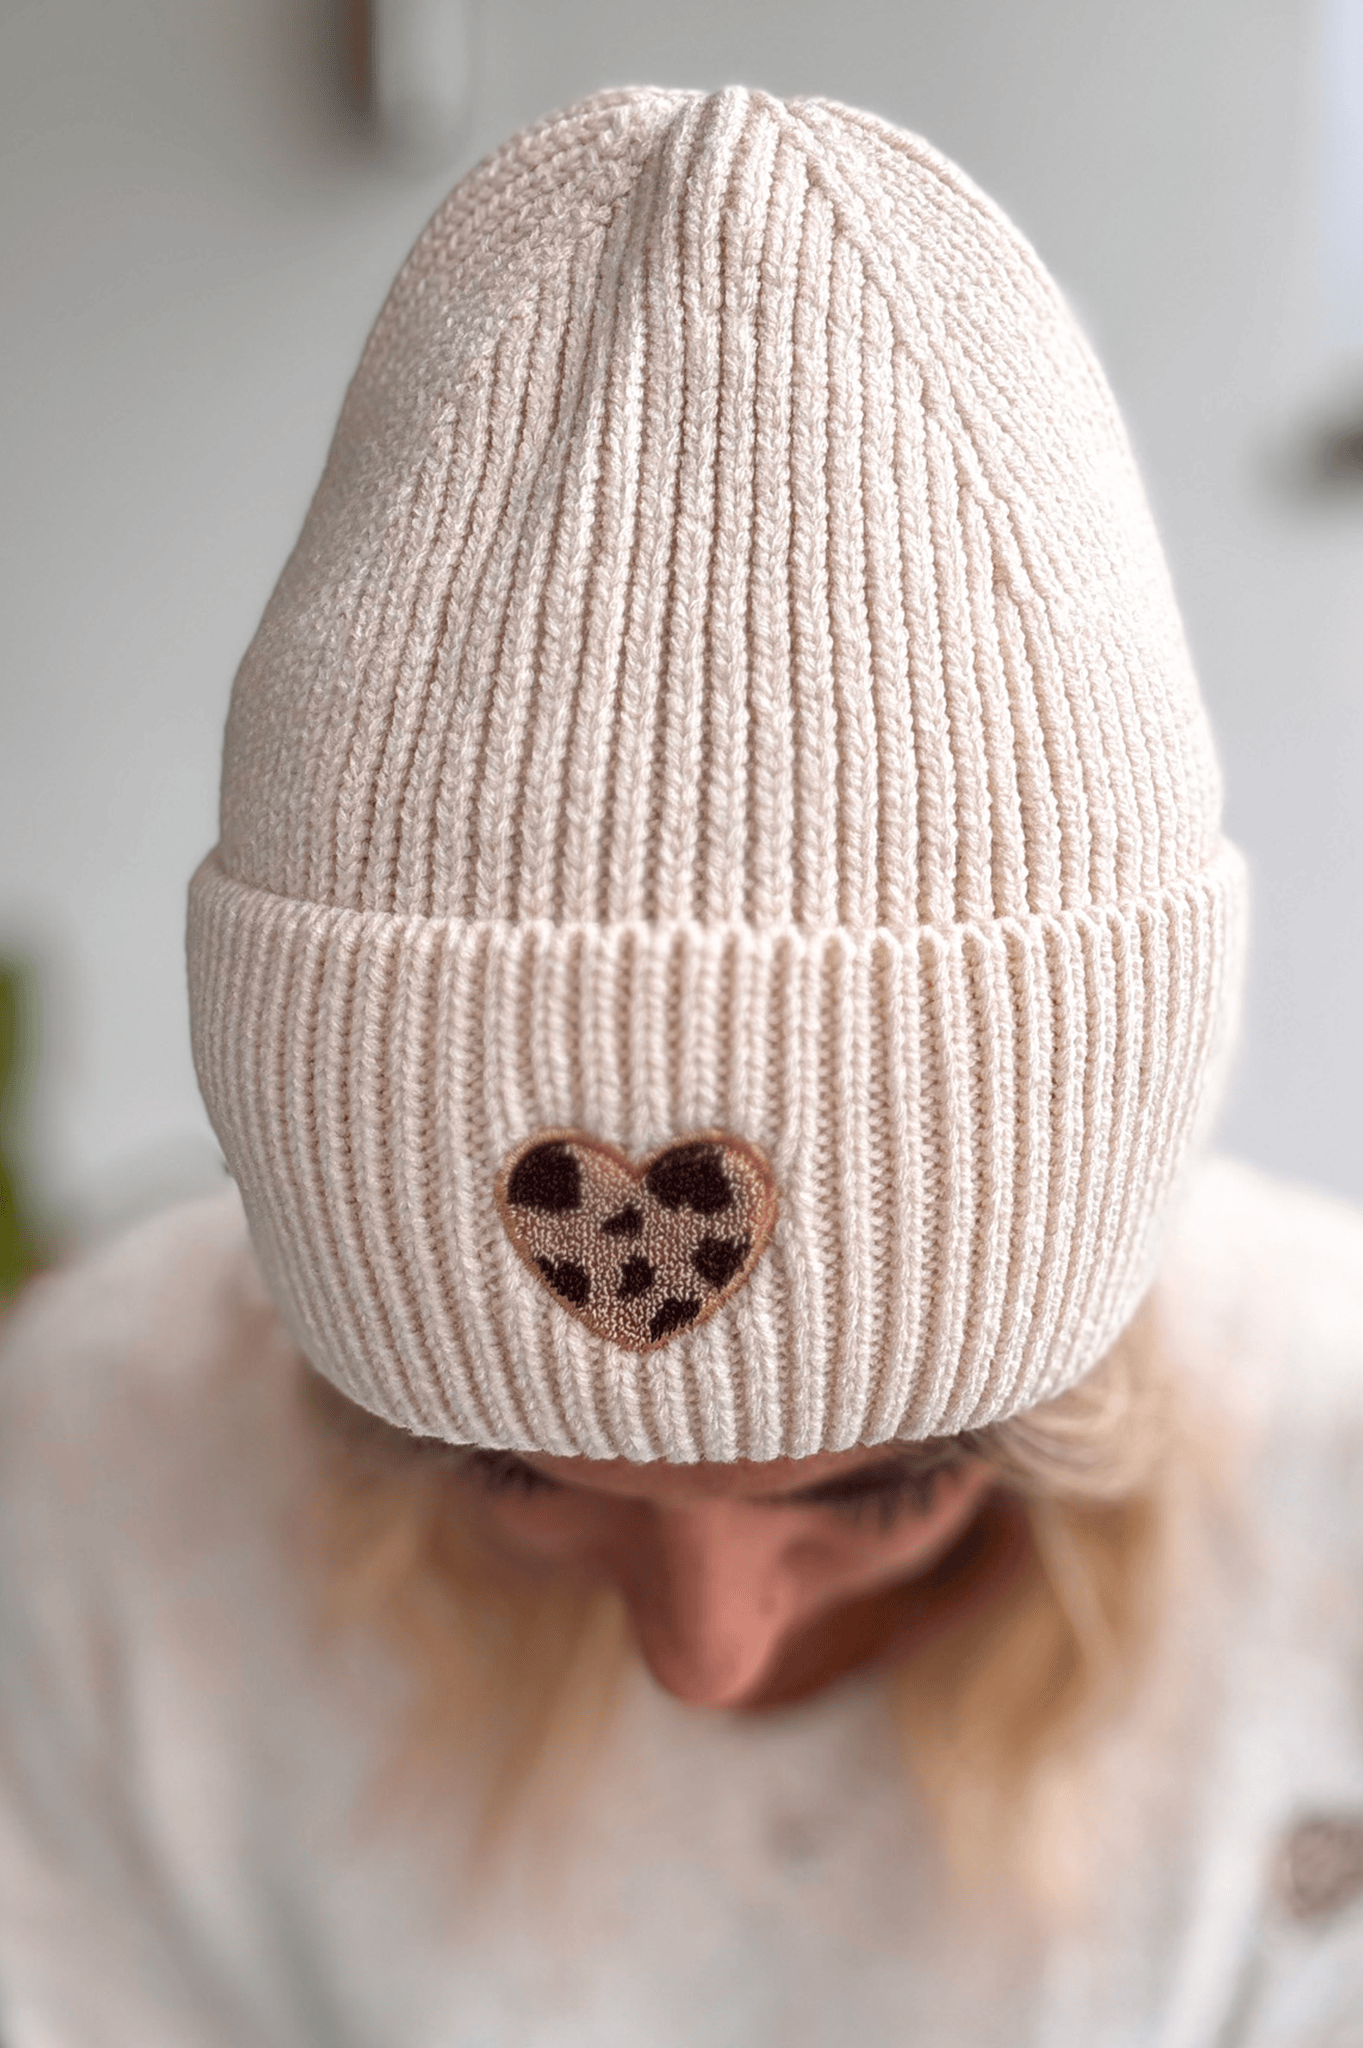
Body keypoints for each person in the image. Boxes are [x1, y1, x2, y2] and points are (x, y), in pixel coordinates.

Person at [3, 83, 1363, 2048]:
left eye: (893, 1480)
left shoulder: (1333, 1484)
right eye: (502, 1465)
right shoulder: (107, 1458)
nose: (703, 1655)